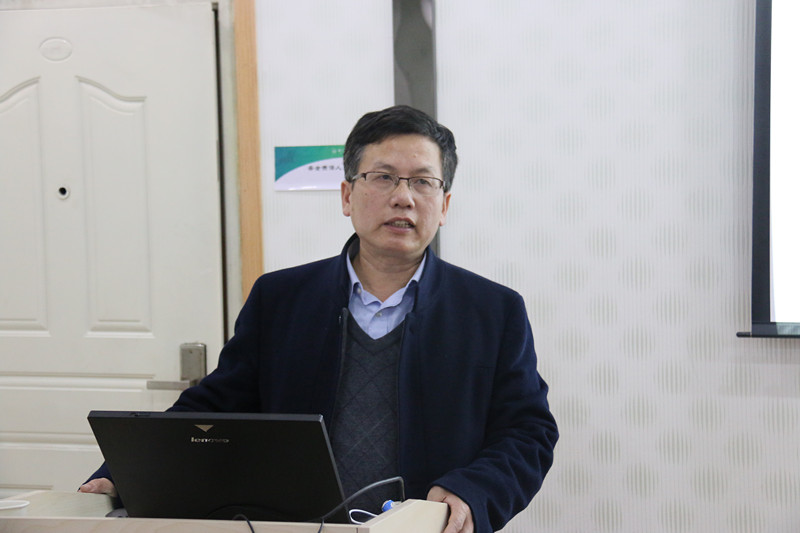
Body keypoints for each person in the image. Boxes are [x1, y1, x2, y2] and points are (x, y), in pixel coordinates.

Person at [80, 105, 558, 533]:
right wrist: (124, 471)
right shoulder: (281, 299)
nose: (403, 197)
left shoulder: (493, 311)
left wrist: (473, 491)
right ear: (347, 196)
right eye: (383, 177)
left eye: (422, 181)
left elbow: (527, 431)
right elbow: (215, 408)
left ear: (444, 205)